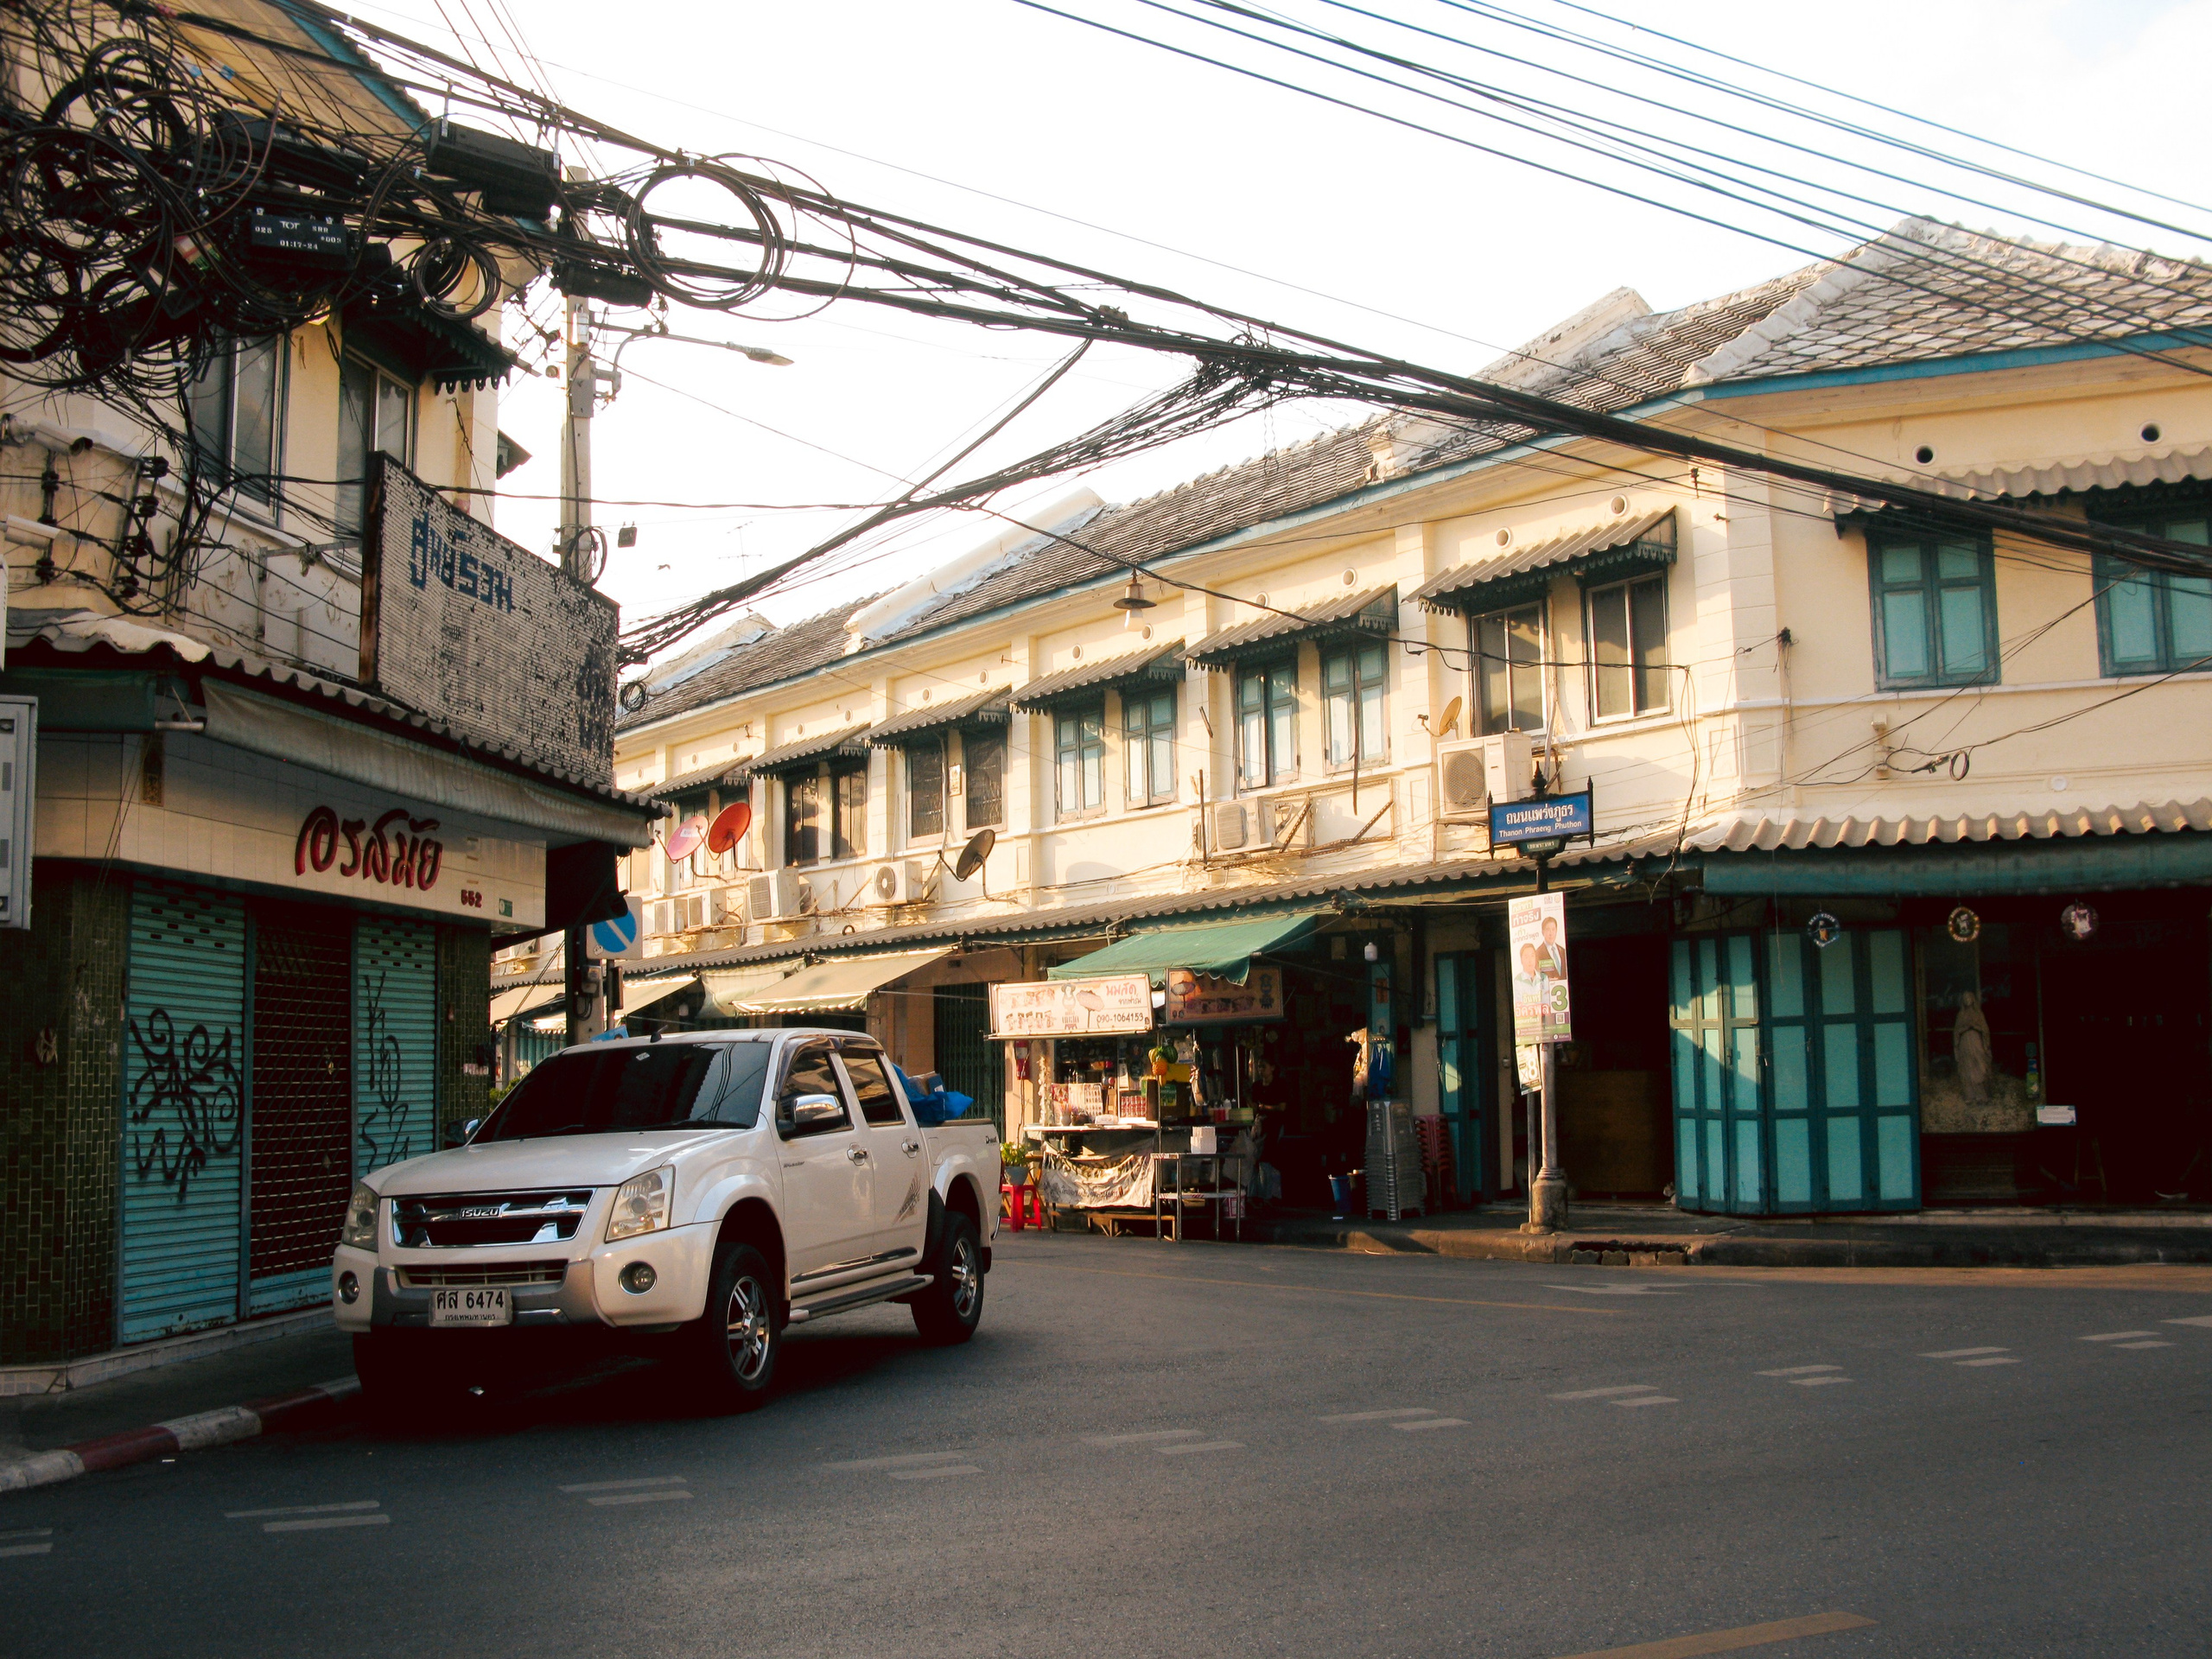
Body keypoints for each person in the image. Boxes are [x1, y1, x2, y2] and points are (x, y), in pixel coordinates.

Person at [1537, 915, 1567, 980]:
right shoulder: (1538, 953)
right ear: (1543, 932)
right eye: (1548, 929)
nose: (1551, 933)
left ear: (1556, 931)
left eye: (1553, 929)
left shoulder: (1563, 951)